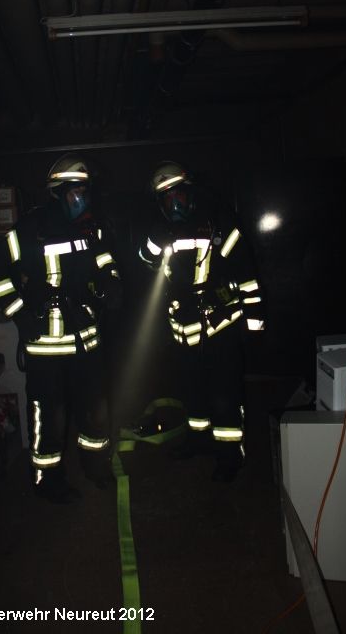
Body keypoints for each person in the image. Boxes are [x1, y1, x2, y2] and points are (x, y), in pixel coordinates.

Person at [0, 154, 122, 502]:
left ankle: (96, 467)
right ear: (58, 192)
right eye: (76, 192)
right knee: (50, 414)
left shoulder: (93, 228)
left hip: (86, 339)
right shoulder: (30, 228)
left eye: (86, 191)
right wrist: (20, 314)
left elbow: (105, 261)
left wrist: (110, 283)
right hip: (45, 343)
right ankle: (47, 480)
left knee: (95, 409)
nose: (83, 199)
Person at [138, 161, 264, 481]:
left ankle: (229, 457)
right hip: (184, 330)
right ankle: (198, 441)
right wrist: (153, 242)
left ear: (190, 192)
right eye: (166, 198)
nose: (174, 203)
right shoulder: (161, 231)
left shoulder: (219, 223)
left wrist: (253, 325)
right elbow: (145, 262)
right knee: (192, 391)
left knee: (225, 395)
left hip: (221, 326)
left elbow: (247, 275)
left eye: (178, 194)